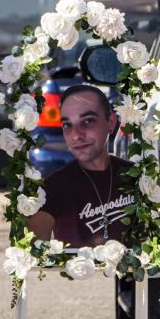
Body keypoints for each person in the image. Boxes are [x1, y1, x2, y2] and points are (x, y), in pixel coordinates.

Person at [28, 84, 134, 247]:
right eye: (67, 125)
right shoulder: (52, 188)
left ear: (111, 122)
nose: (76, 135)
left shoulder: (137, 178)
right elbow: (34, 258)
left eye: (88, 121)